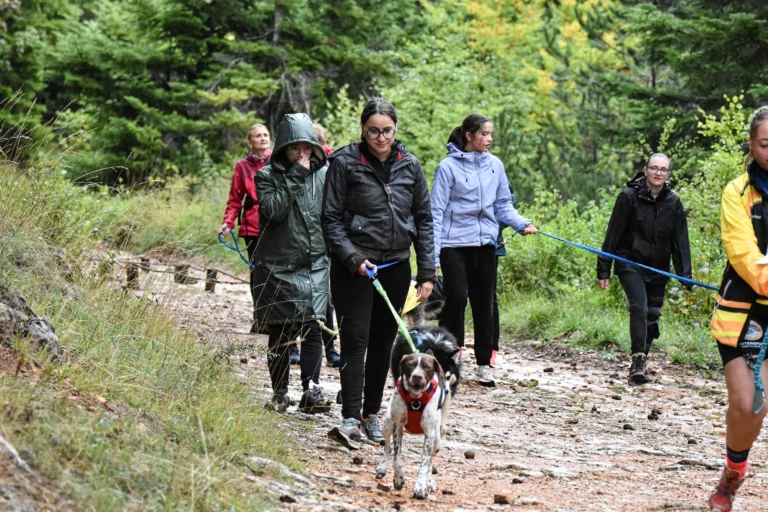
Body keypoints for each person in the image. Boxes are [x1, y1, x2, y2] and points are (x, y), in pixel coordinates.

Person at [322, 97, 435, 449]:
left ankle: (372, 415)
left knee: (383, 345)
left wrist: (427, 270)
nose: (381, 137)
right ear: (363, 129)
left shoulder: (410, 165)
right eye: (373, 131)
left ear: (396, 129)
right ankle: (350, 418)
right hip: (355, 268)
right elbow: (330, 219)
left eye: (387, 131)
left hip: (397, 266)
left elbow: (424, 220)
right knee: (355, 343)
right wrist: (352, 258)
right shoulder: (343, 162)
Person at [430, 113, 536, 388]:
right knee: (455, 299)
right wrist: (432, 255)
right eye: (484, 134)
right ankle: (449, 360)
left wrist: (521, 223)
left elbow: (503, 204)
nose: (489, 139)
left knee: (485, 305)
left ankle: (484, 365)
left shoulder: (495, 166)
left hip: (486, 244)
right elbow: (436, 212)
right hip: (453, 244)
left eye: (491, 135)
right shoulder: (447, 168)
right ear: (469, 135)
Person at [707, 106, 768, 512]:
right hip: (745, 314)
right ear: (751, 144)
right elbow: (744, 254)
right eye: (765, 144)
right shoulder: (737, 192)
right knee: (748, 406)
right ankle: (733, 472)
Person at [253, 113, 332, 414]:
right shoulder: (265, 176)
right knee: (282, 331)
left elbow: (331, 216)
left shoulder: (324, 176)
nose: (302, 154)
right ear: (283, 147)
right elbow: (274, 211)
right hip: (279, 266)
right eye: (295, 148)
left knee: (314, 326)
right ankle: (280, 393)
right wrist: (296, 174)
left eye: (307, 148)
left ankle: (311, 391)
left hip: (315, 264)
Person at [597, 153, 691, 384]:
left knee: (653, 314)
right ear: (646, 170)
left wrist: (685, 276)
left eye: (663, 169)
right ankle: (637, 361)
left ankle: (643, 356)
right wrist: (604, 269)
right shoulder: (628, 196)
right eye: (654, 168)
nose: (658, 173)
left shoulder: (674, 202)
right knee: (639, 307)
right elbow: (613, 233)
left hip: (658, 267)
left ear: (668, 174)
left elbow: (681, 242)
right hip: (630, 262)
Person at [219, 124, 272, 334]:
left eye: (265, 135)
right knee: (257, 273)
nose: (262, 139)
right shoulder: (242, 166)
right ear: (250, 142)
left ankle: (275, 318)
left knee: (276, 273)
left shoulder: (279, 161)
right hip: (252, 226)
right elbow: (235, 199)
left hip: (275, 224)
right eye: (258, 136)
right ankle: (260, 318)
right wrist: (227, 222)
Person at [313, 122, 340, 368]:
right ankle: (291, 347)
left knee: (327, 297)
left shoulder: (334, 166)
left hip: (327, 240)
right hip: (302, 241)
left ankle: (331, 348)